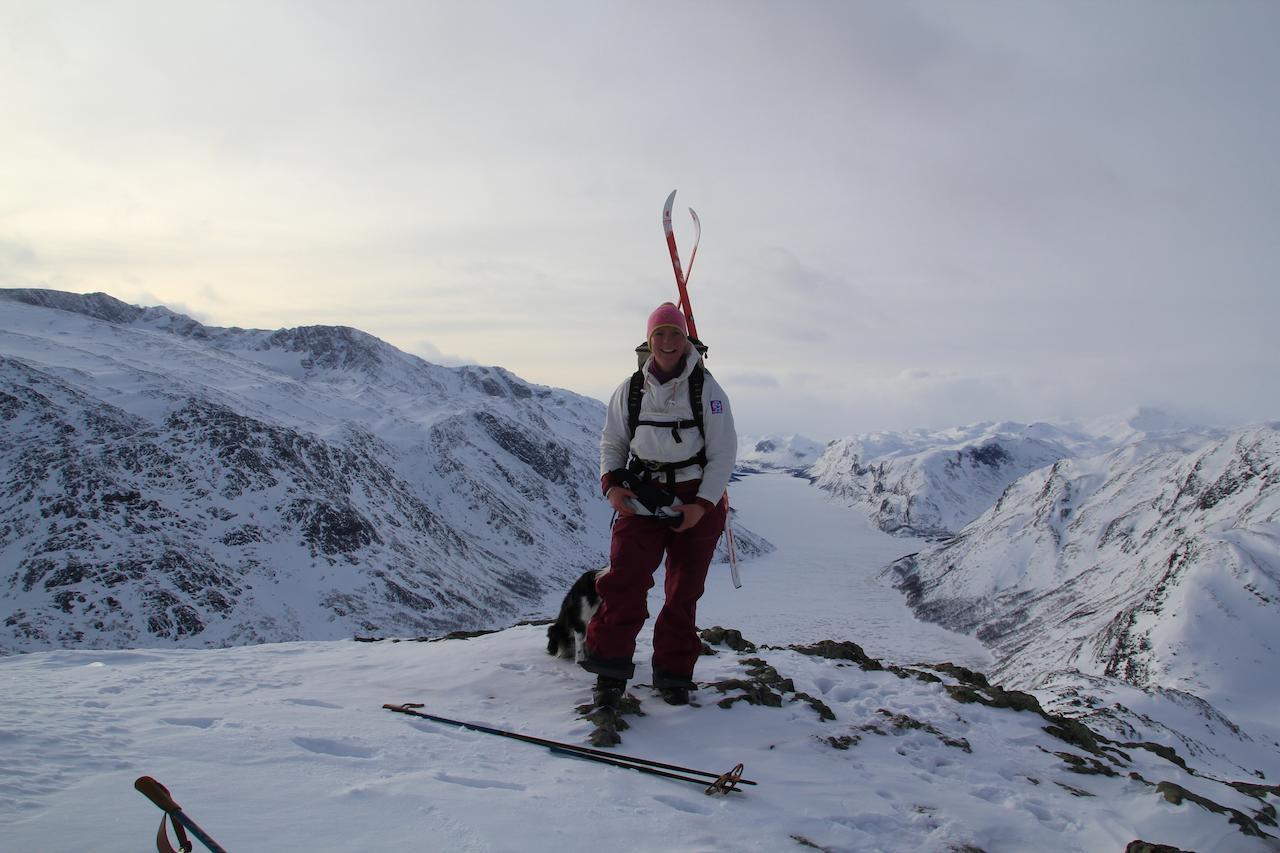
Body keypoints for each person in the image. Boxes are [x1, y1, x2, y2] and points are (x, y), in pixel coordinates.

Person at [581, 302, 737, 707]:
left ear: (687, 340)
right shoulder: (631, 390)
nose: (668, 342)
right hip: (642, 494)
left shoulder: (708, 390)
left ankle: (673, 674)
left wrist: (701, 506)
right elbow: (612, 443)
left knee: (683, 591)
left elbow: (723, 454)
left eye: (675, 334)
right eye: (660, 334)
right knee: (625, 581)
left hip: (694, 496)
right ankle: (609, 672)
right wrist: (612, 486)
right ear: (648, 342)